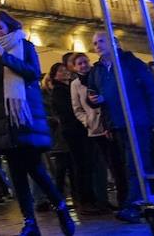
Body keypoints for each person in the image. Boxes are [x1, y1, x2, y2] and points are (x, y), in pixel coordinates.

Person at [0, 11, 74, 236]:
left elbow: (32, 73)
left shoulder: (24, 46)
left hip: (25, 116)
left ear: (9, 27)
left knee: (36, 169)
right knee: (17, 173)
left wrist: (4, 56)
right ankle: (30, 222)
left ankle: (61, 207)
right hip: (4, 119)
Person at [90, 30, 154, 222]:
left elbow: (152, 90)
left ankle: (134, 205)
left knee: (136, 163)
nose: (97, 45)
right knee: (136, 163)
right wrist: (98, 105)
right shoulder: (98, 70)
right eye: (95, 43)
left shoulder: (132, 63)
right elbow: (98, 97)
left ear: (114, 42)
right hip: (117, 123)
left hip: (138, 119)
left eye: (101, 41)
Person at [69, 51, 119, 213]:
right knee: (100, 166)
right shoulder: (75, 84)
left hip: (109, 123)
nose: (84, 65)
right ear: (74, 67)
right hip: (95, 128)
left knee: (116, 162)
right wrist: (87, 121)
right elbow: (77, 108)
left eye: (85, 62)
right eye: (80, 63)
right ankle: (102, 200)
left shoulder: (99, 75)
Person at [52, 53, 98, 213]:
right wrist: (86, 121)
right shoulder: (60, 90)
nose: (64, 72)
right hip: (73, 131)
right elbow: (71, 110)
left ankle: (91, 199)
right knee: (79, 166)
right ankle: (84, 200)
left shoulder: (71, 85)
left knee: (86, 165)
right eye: (60, 71)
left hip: (82, 129)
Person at [41, 63, 75, 215]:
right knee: (60, 170)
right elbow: (48, 117)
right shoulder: (50, 97)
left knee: (70, 168)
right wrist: (55, 121)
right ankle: (58, 199)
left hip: (64, 136)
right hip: (57, 138)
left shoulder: (66, 90)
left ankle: (72, 197)